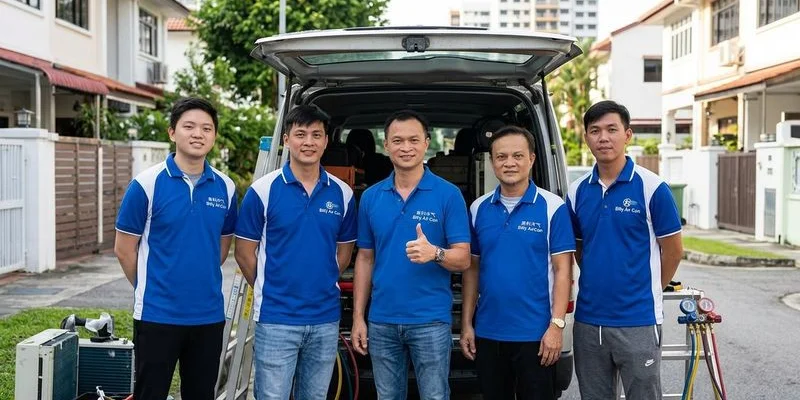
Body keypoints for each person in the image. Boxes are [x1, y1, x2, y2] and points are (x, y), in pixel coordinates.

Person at [114, 97, 237, 400]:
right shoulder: (146, 184)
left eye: (206, 128)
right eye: (189, 126)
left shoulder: (226, 187)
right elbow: (124, 250)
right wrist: (151, 286)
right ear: (172, 132)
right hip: (157, 315)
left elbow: (221, 248)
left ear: (214, 136)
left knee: (201, 394)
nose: (198, 134)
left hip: (208, 316)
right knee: (150, 394)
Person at [234, 105, 357, 400]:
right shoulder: (262, 191)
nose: (309, 142)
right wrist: (272, 286)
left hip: (325, 319)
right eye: (301, 134)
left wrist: (320, 280)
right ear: (287, 139)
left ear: (326, 141)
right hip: (276, 318)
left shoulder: (343, 194)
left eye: (316, 135)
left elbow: (344, 253)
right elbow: (244, 253)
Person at [351, 110, 471, 400]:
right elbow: (365, 258)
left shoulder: (448, 195)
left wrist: (435, 252)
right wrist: (358, 317)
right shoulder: (371, 197)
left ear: (426, 143)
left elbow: (464, 259)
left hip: (430, 320)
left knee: (435, 396)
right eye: (398, 140)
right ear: (386, 145)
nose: (406, 147)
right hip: (382, 320)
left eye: (414, 140)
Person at [567, 100, 683, 399]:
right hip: (589, 319)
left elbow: (673, 251)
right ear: (586, 137)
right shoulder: (576, 191)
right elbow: (579, 247)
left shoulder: (652, 187)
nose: (603, 138)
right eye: (595, 131)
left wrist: (649, 289)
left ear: (627, 135)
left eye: (612, 129)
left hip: (638, 319)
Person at [460, 126, 575, 400]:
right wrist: (466, 324)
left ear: (532, 159)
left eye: (517, 156)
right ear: (492, 162)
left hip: (537, 335)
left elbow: (563, 271)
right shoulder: (478, 208)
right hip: (489, 333)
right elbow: (471, 270)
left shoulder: (553, 207)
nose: (509, 163)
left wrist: (557, 326)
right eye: (501, 157)